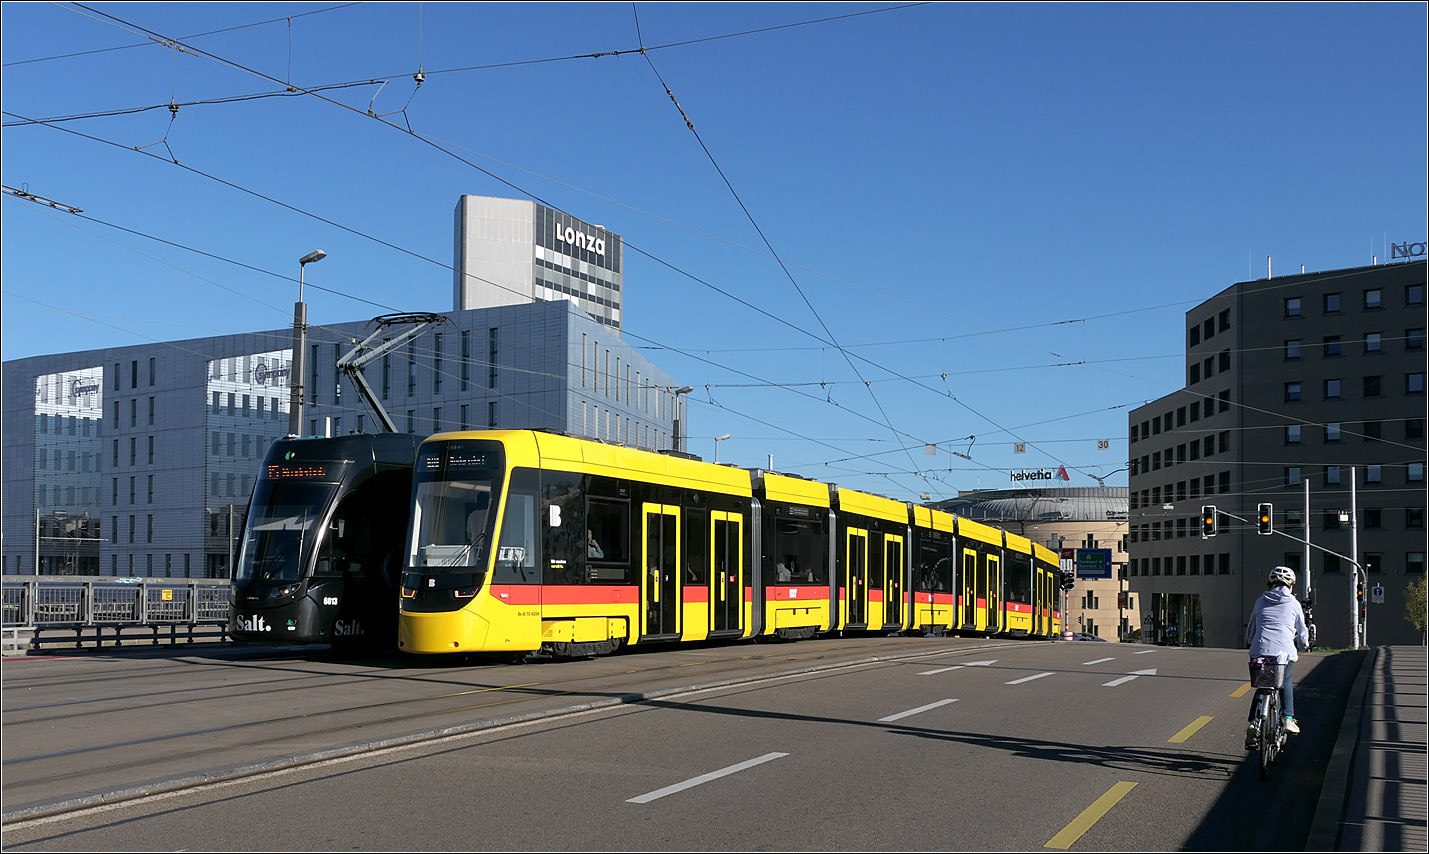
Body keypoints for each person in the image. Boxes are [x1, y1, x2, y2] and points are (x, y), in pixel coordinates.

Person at [1245, 565, 1310, 747]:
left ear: (1270, 583)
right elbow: (1302, 630)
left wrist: (1250, 641)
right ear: (1291, 585)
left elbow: (1251, 627)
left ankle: (1254, 723)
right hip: (1284, 652)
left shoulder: (1260, 601)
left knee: (1262, 684)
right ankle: (1288, 717)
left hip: (1260, 649)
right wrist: (1305, 645)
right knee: (1285, 679)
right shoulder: (1294, 603)